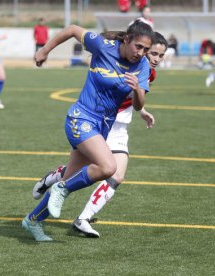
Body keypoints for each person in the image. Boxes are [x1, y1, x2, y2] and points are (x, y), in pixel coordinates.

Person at [21, 20, 154, 241]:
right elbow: (72, 29)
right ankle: (60, 189)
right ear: (127, 39)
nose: (141, 53)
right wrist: (44, 50)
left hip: (103, 126)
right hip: (80, 117)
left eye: (146, 50)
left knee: (72, 176)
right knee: (108, 167)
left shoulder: (142, 66)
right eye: (138, 47)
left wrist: (138, 89)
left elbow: (139, 105)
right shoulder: (103, 46)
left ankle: (33, 221)